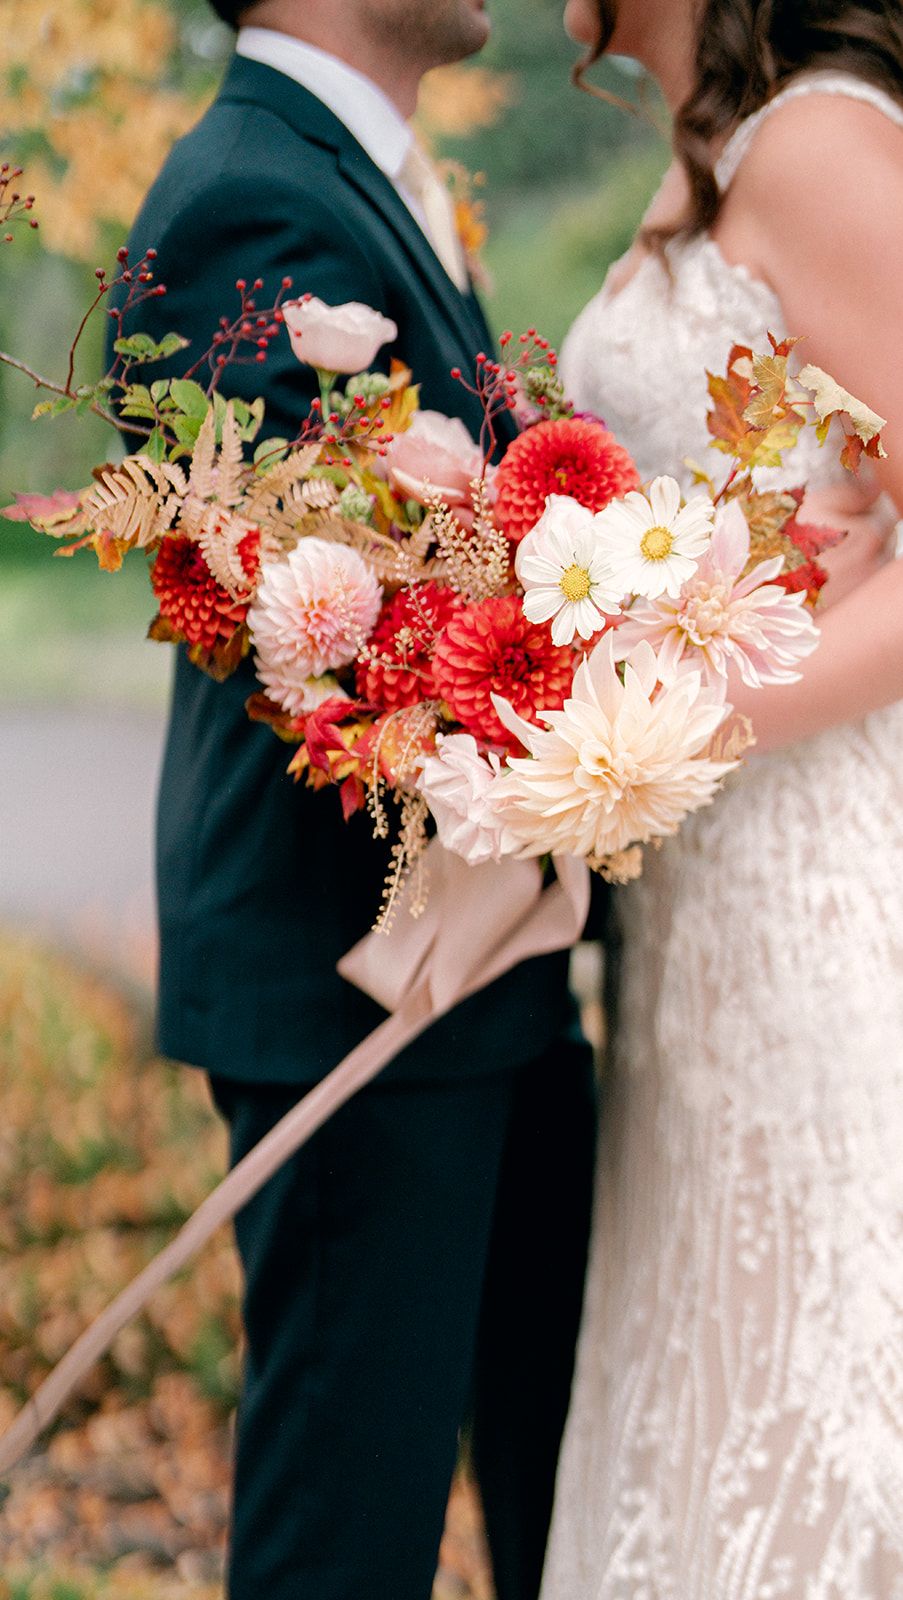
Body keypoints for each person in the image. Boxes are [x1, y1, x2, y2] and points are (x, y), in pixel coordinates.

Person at [539, 1, 903, 1595]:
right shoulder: (703, 163)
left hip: (819, 868)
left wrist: (670, 722)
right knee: (728, 1324)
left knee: (838, 1335)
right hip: (702, 889)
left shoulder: (824, 146)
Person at [112, 4, 596, 1597]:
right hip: (359, 999)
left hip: (481, 974)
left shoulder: (364, 176)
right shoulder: (249, 194)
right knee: (347, 1544)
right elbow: (301, 635)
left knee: (556, 1490)